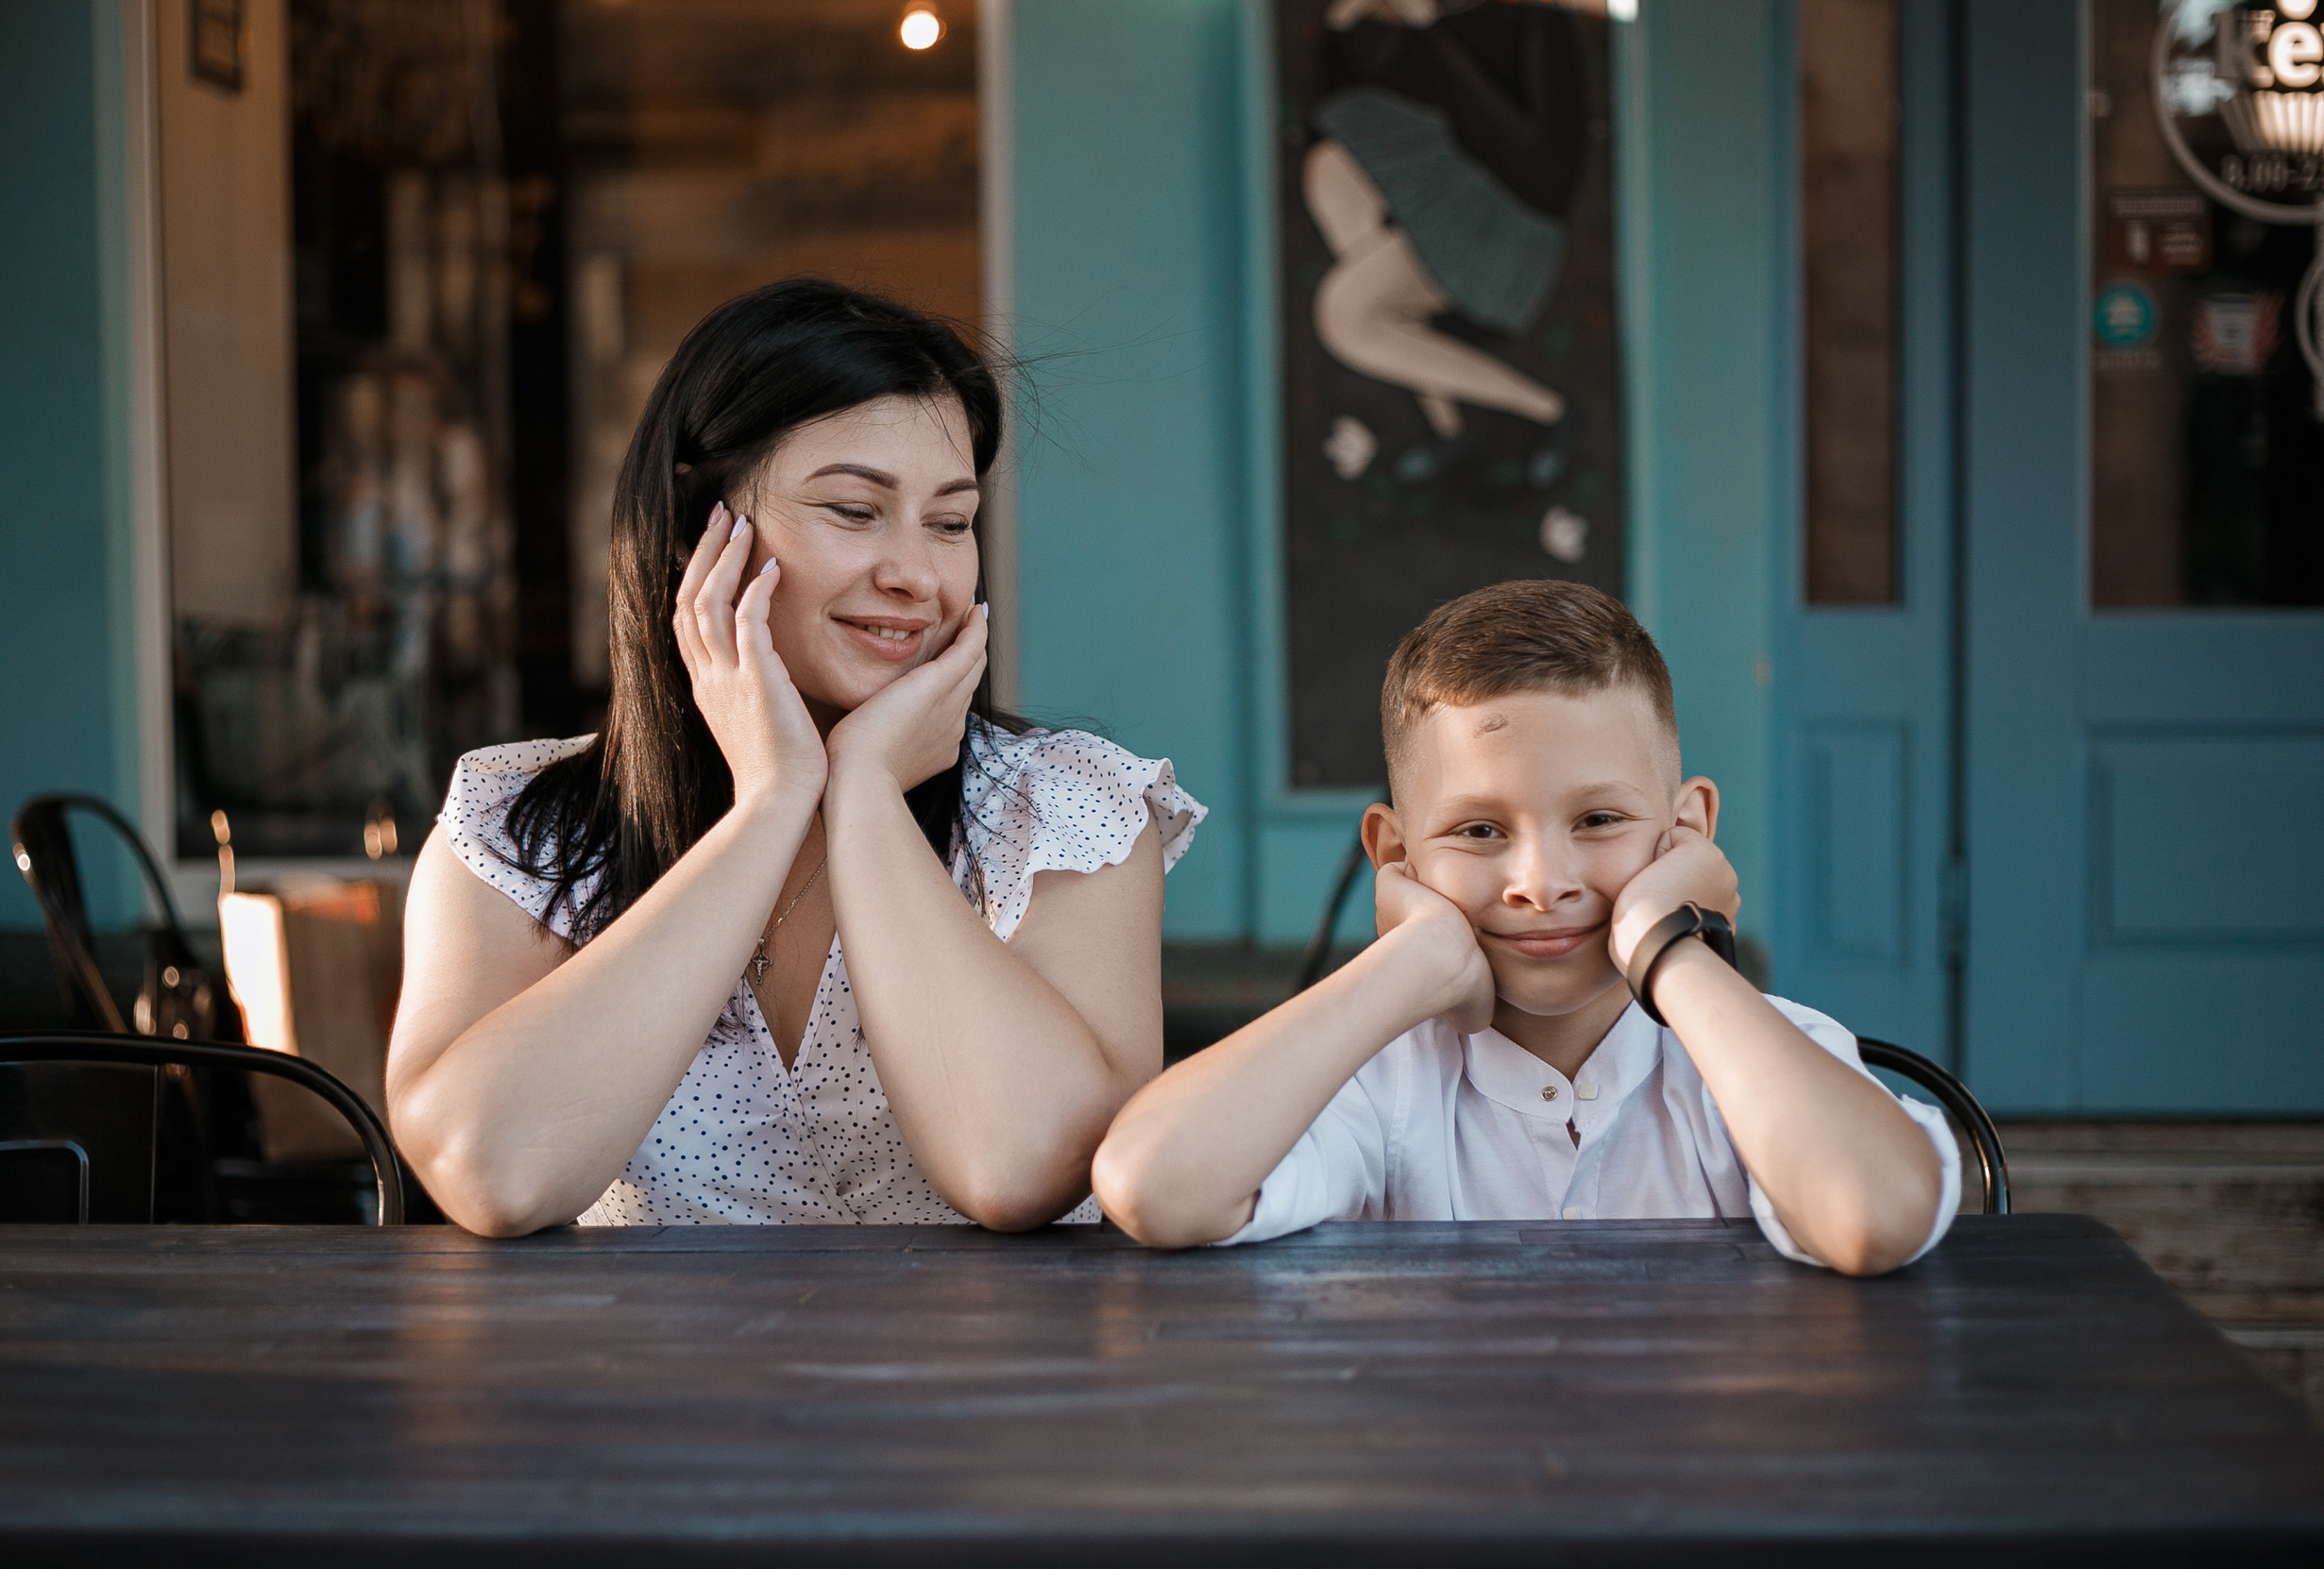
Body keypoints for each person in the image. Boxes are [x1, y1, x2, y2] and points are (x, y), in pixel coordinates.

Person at [388, 279, 1202, 1238]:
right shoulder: (519, 825)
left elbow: (1018, 1166)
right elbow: (494, 1172)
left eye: (950, 522)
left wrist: (867, 794)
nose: (916, 575)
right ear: (697, 530)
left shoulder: (1067, 812)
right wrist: (771, 805)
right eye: (855, 511)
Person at [1093, 581, 1958, 1274]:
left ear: (1688, 831)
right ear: (1395, 855)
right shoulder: (1377, 1086)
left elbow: (1876, 1215)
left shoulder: (1755, 1058)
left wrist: (1671, 951)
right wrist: (1412, 960)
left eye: (1599, 820)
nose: (1541, 886)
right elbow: (1150, 1182)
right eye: (1479, 830)